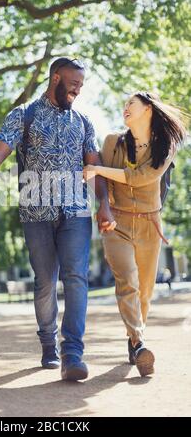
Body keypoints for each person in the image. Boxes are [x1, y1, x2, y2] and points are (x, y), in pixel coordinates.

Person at [0, 57, 116, 381]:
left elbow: (93, 166)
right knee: (44, 283)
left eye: (81, 86)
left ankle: (73, 353)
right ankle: (48, 342)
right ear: (56, 78)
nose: (78, 91)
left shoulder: (83, 121)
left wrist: (104, 204)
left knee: (76, 277)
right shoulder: (23, 115)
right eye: (74, 84)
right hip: (36, 212)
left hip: (75, 211)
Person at [83, 91, 186, 377]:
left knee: (145, 293)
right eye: (124, 104)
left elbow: (141, 178)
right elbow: (102, 181)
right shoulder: (112, 142)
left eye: (132, 103)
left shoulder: (166, 146)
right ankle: (140, 344)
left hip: (150, 226)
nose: (125, 108)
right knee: (127, 281)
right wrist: (104, 208)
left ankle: (133, 338)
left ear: (148, 109)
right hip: (117, 223)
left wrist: (96, 168)